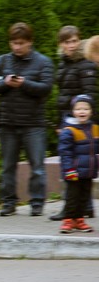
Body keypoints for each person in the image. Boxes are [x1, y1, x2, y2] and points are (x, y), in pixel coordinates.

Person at [0, 22, 54, 217]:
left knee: (37, 167)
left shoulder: (44, 62)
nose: (17, 47)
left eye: (21, 43)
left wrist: (24, 83)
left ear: (30, 42)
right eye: (14, 43)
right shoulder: (2, 61)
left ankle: (37, 202)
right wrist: (6, 83)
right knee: (7, 167)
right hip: (8, 122)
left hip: (34, 123)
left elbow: (46, 88)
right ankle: (8, 202)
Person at [49, 26, 96, 221]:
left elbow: (91, 96)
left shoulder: (86, 65)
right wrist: (60, 122)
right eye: (67, 42)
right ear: (61, 44)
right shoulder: (63, 64)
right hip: (68, 121)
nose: (71, 45)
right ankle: (85, 207)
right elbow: (63, 95)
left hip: (81, 124)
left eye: (74, 41)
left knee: (75, 166)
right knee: (75, 166)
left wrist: (85, 123)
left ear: (79, 41)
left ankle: (71, 210)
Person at [56, 94, 98, 234]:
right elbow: (65, 152)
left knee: (84, 197)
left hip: (89, 171)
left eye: (86, 109)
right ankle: (68, 220)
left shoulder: (95, 129)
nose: (82, 111)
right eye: (78, 108)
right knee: (72, 196)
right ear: (73, 111)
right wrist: (69, 169)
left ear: (91, 111)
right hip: (73, 171)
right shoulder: (69, 130)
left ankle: (79, 219)